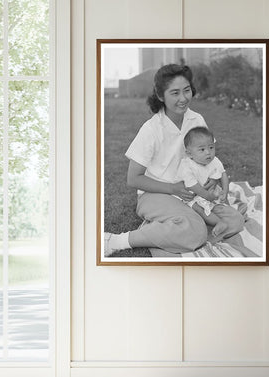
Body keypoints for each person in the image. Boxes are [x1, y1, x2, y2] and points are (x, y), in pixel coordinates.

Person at [104, 64, 244, 256]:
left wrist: (213, 178)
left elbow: (207, 155)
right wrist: (173, 189)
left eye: (187, 90)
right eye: (175, 93)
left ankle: (175, 230)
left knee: (235, 220)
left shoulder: (196, 119)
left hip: (194, 193)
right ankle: (116, 240)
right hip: (155, 194)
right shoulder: (151, 129)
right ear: (161, 96)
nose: (183, 98)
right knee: (195, 230)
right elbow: (133, 178)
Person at [176, 126, 230, 239]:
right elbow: (192, 185)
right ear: (189, 154)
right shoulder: (186, 165)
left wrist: (225, 191)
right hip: (193, 194)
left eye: (211, 147)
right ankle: (219, 222)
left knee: (224, 200)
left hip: (210, 192)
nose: (208, 153)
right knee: (198, 209)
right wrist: (207, 196)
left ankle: (230, 211)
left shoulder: (214, 161)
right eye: (202, 149)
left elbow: (223, 174)